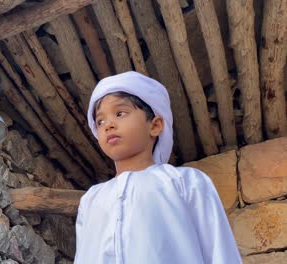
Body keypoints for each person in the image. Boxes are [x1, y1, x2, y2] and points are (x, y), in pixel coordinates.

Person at [74, 71, 241, 263]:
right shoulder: (91, 199)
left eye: (120, 113)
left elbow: (219, 249)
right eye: (100, 121)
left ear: (155, 125)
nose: (108, 125)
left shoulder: (186, 182)